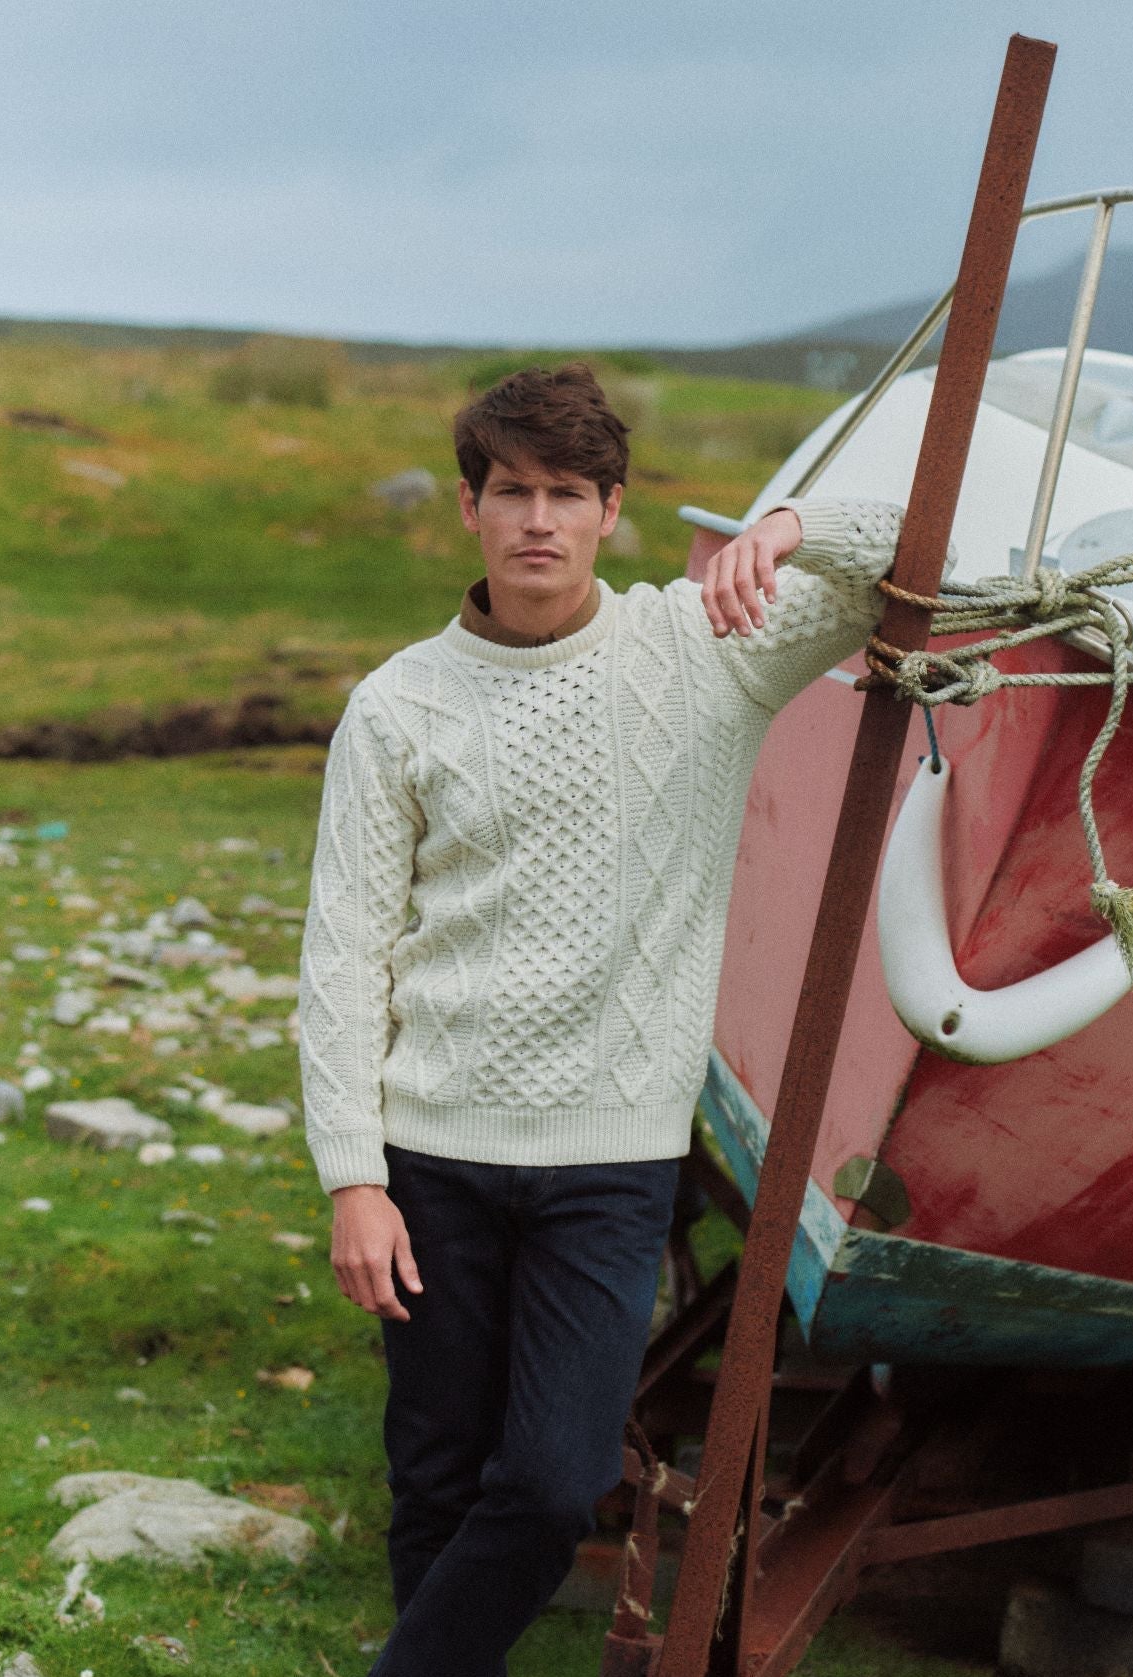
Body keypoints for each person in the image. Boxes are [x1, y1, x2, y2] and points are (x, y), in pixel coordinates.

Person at [298, 361, 929, 1677]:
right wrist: (354, 1177)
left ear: (611, 510)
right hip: (430, 1154)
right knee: (436, 1472)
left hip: (610, 1157)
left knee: (551, 1479)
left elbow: (929, 564)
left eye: (568, 494)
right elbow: (344, 957)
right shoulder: (397, 706)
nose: (539, 520)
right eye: (511, 492)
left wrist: (789, 527)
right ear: (468, 508)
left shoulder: (704, 649)